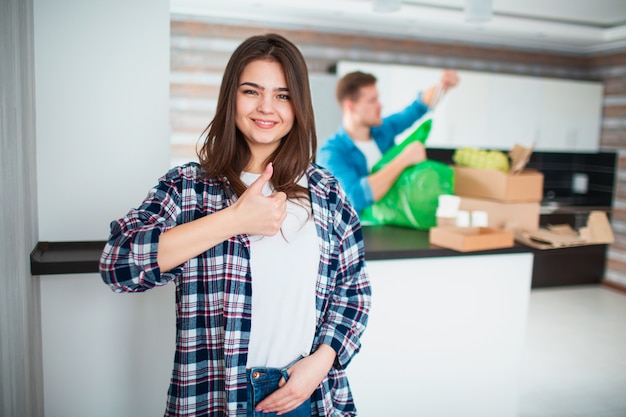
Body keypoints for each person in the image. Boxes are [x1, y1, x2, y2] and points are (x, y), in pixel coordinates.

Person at [99, 33, 371, 417]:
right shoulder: (187, 187)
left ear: (298, 105)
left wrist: (321, 362)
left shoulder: (326, 191)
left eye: (282, 95)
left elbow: (353, 290)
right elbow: (118, 266)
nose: (266, 107)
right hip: (216, 397)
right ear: (231, 97)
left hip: (307, 394)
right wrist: (233, 220)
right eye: (251, 91)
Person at [317, 69, 459, 213]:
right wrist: (404, 159)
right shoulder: (331, 152)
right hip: (362, 233)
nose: (380, 105)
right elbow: (354, 198)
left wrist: (443, 86)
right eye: (372, 101)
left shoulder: (382, 130)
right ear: (351, 107)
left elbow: (416, 108)